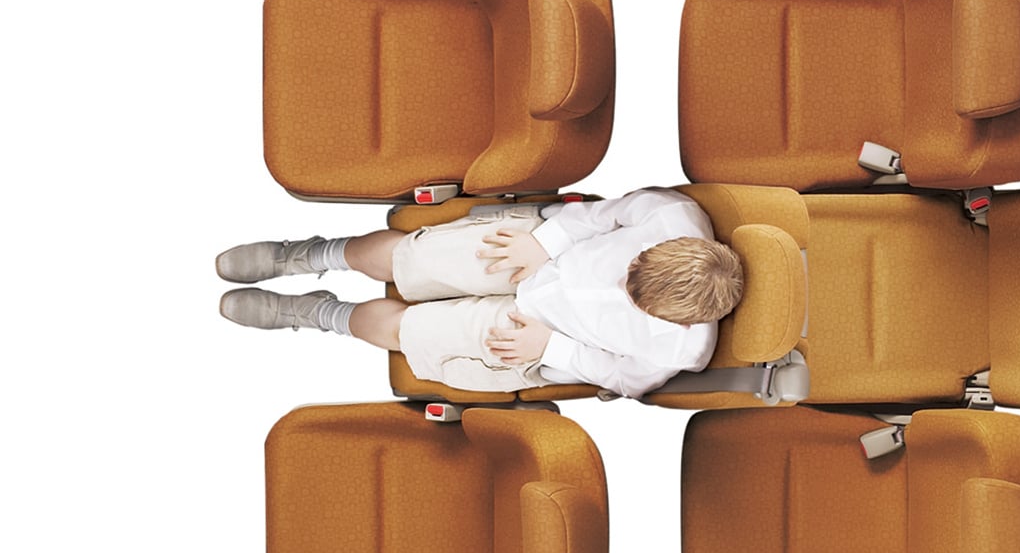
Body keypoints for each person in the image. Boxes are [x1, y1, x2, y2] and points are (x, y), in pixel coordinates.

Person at [216, 188, 743, 398]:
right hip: (545, 257)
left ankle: (318, 314)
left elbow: (620, 378)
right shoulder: (670, 216)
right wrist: (544, 243)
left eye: (633, 297)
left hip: (547, 335)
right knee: (413, 258)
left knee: (415, 331)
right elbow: (601, 216)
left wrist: (552, 348)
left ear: (677, 321)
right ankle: (311, 255)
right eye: (630, 271)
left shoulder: (680, 350)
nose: (621, 284)